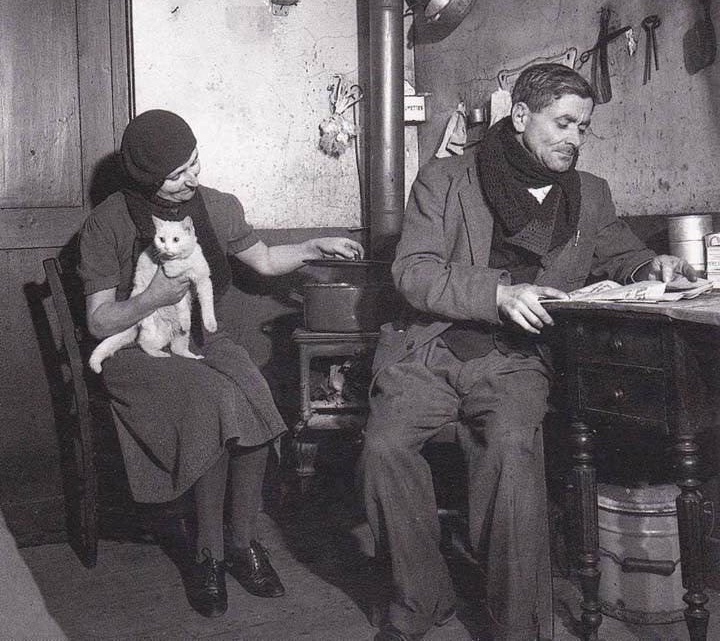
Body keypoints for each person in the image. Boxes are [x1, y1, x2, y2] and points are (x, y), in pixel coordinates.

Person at [360, 63, 696, 641]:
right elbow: (413, 272)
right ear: (520, 117)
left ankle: (517, 624)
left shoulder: (589, 193)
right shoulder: (444, 178)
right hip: (433, 348)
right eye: (562, 123)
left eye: (583, 128)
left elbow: (616, 252)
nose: (574, 138)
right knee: (383, 447)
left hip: (518, 358)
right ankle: (422, 598)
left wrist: (652, 264)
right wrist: (497, 293)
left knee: (513, 450)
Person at [78, 108, 362, 618]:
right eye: (177, 175)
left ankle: (241, 542)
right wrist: (152, 298)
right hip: (134, 346)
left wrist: (312, 245)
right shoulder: (109, 221)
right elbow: (100, 323)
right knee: (213, 399)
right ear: (145, 178)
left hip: (199, 336)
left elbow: (267, 261)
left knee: (251, 390)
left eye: (194, 163)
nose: (192, 179)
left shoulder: (215, 206)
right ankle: (208, 556)